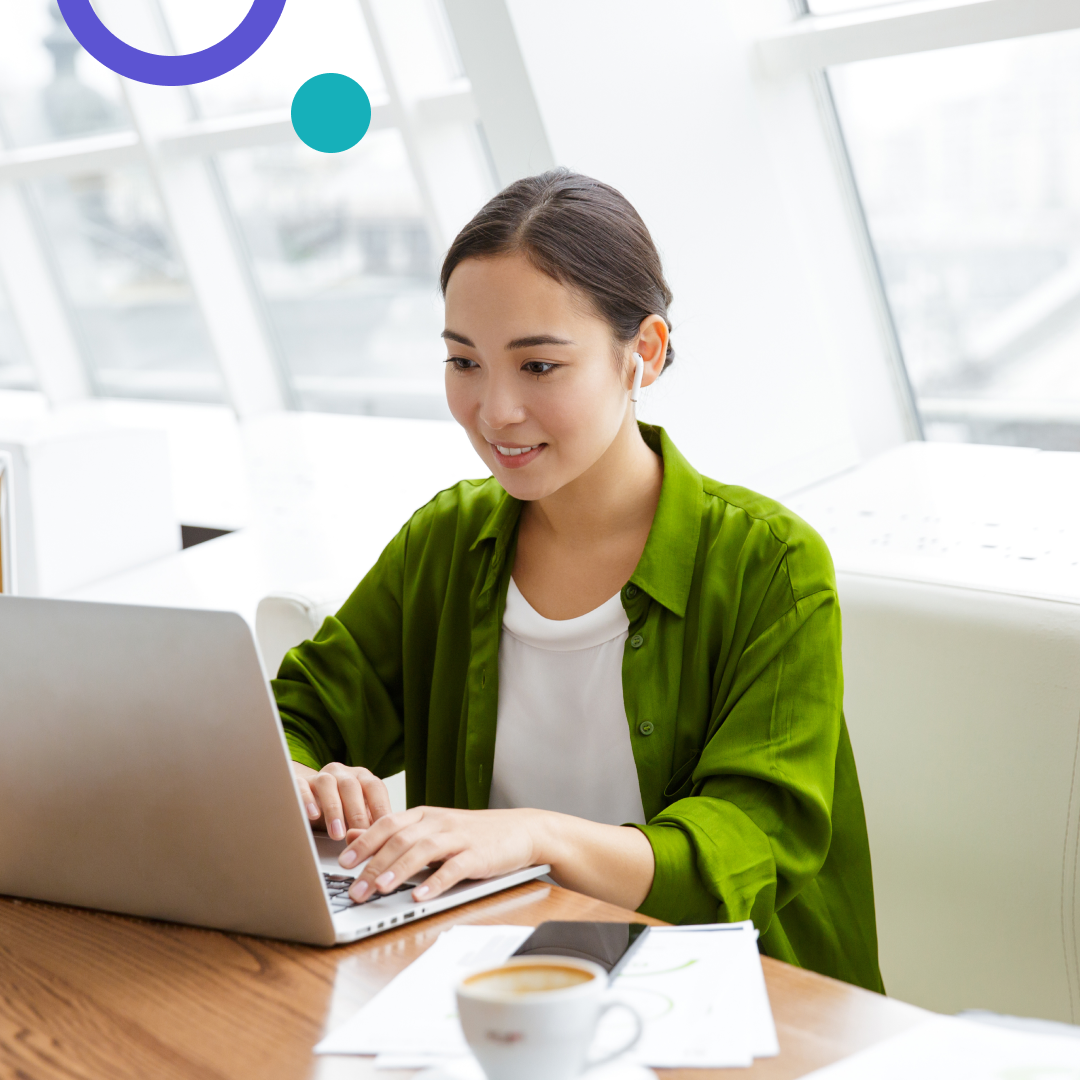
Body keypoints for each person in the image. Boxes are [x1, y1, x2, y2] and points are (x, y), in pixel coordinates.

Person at [273, 169, 883, 992]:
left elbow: (749, 843)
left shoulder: (770, 563)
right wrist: (311, 783)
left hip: (737, 996)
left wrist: (535, 835)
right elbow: (291, 716)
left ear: (646, 355)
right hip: (493, 984)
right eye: (464, 361)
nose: (493, 412)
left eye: (540, 367)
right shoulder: (446, 541)